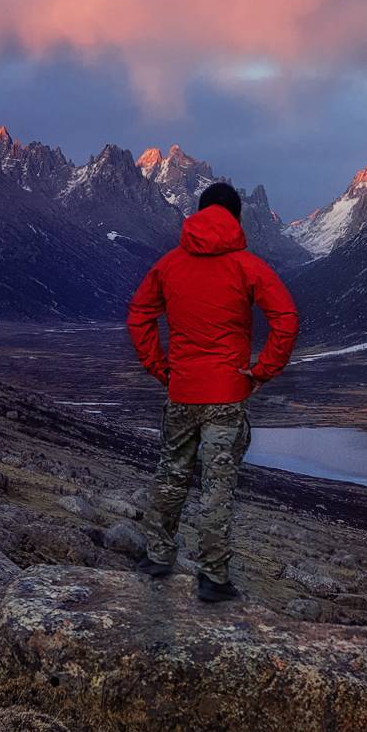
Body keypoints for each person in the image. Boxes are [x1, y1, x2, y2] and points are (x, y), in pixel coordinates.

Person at [125, 181, 299, 602]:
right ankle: (212, 579)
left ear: (198, 213)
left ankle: (157, 556)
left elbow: (138, 318)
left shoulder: (169, 265)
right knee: (217, 487)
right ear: (237, 217)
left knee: (171, 475)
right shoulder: (248, 266)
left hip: (182, 390)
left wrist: (161, 369)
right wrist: (260, 373)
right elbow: (286, 319)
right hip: (227, 393)